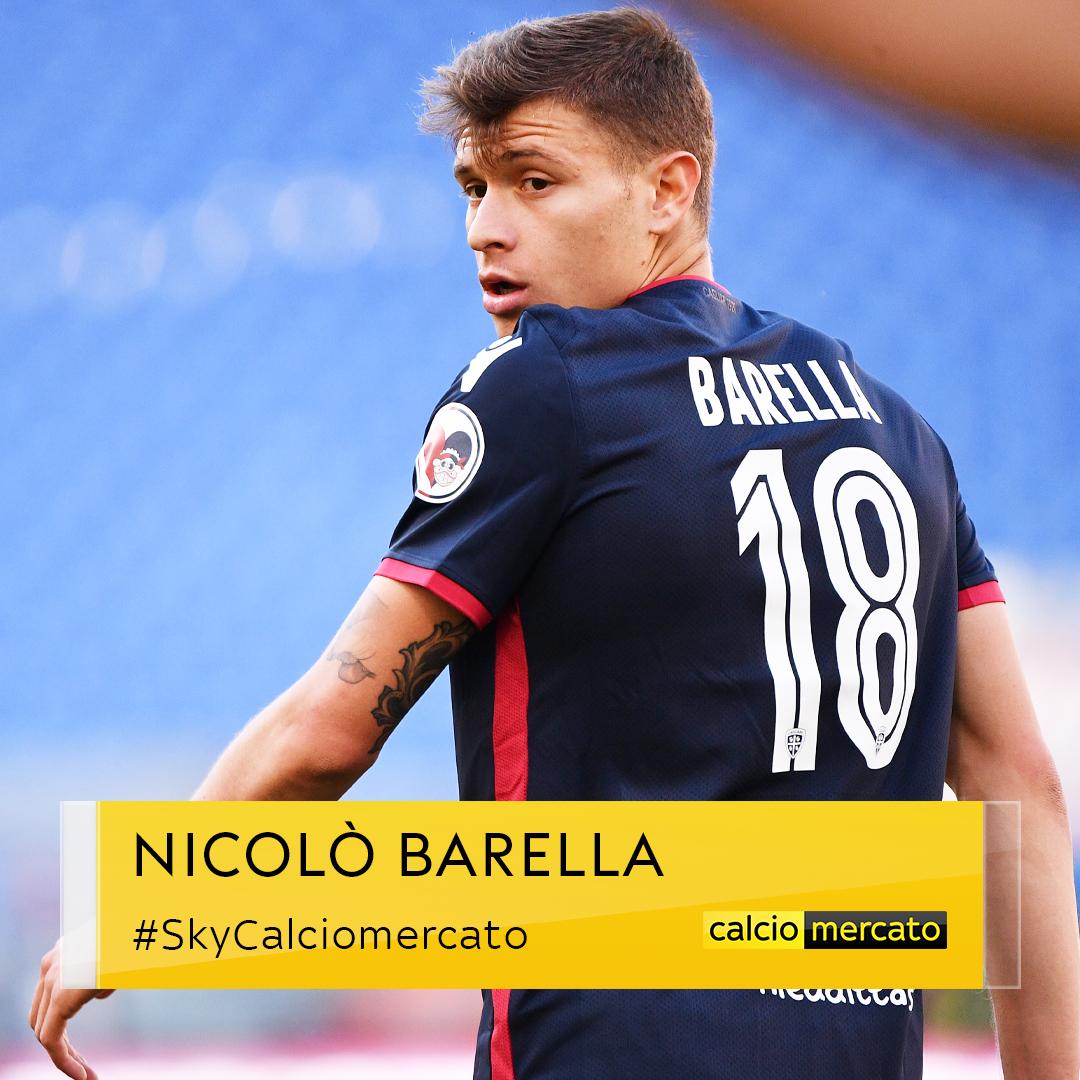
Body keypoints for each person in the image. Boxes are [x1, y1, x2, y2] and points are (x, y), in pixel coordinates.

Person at [29, 8, 1080, 1079]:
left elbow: (328, 736)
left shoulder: (544, 386)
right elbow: (1019, 789)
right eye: (473, 188)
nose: (486, 227)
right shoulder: (895, 428)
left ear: (669, 190)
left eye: (535, 181)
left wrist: (143, 910)